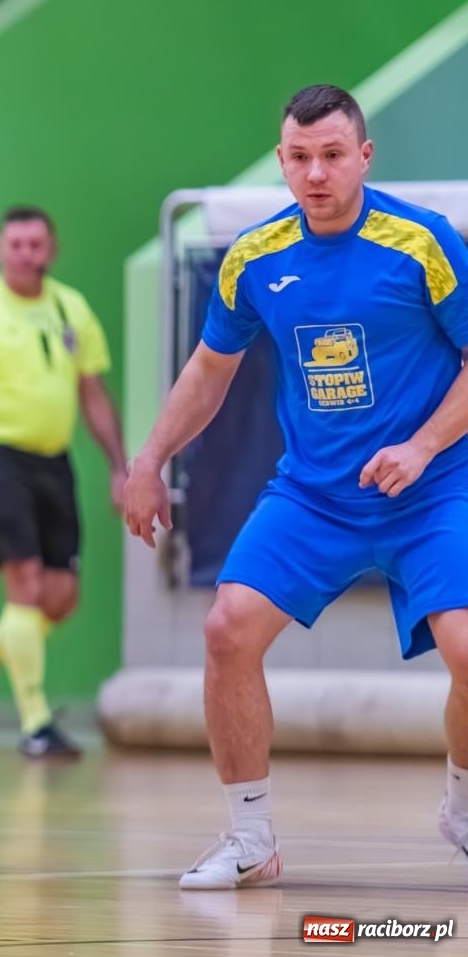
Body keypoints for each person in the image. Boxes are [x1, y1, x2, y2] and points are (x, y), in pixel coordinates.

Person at [125, 84, 468, 889]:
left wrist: (419, 448)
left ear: (365, 156)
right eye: (300, 157)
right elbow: (209, 372)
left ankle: (461, 799)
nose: (316, 172)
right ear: (282, 161)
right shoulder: (254, 257)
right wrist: (148, 461)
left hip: (432, 488)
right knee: (226, 629)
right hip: (314, 496)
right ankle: (251, 839)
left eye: (333, 155)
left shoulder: (424, 243)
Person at [0, 205, 125, 759]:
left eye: (37, 245)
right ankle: (34, 725)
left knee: (59, 598)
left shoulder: (70, 307)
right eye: (16, 245)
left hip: (53, 460)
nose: (27, 254)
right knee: (26, 584)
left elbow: (94, 395)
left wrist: (119, 466)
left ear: (51, 250)